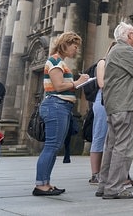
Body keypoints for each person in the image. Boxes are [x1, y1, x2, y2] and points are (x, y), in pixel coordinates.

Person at [96, 22, 133, 199]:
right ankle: (115, 188)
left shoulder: (114, 51)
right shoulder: (125, 51)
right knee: (124, 148)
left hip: (116, 106)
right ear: (128, 37)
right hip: (126, 105)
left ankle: (104, 185)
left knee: (112, 147)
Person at [33, 31, 90, 196]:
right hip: (56, 105)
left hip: (60, 106)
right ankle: (40, 184)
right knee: (51, 146)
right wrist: (77, 82)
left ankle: (45, 182)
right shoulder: (55, 61)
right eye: (75, 46)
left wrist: (78, 83)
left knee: (53, 146)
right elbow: (58, 86)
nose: (76, 50)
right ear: (65, 44)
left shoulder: (59, 62)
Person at [88, 42, 116, 185]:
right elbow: (101, 83)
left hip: (116, 101)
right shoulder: (102, 63)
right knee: (99, 135)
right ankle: (95, 174)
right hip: (103, 101)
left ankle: (110, 172)